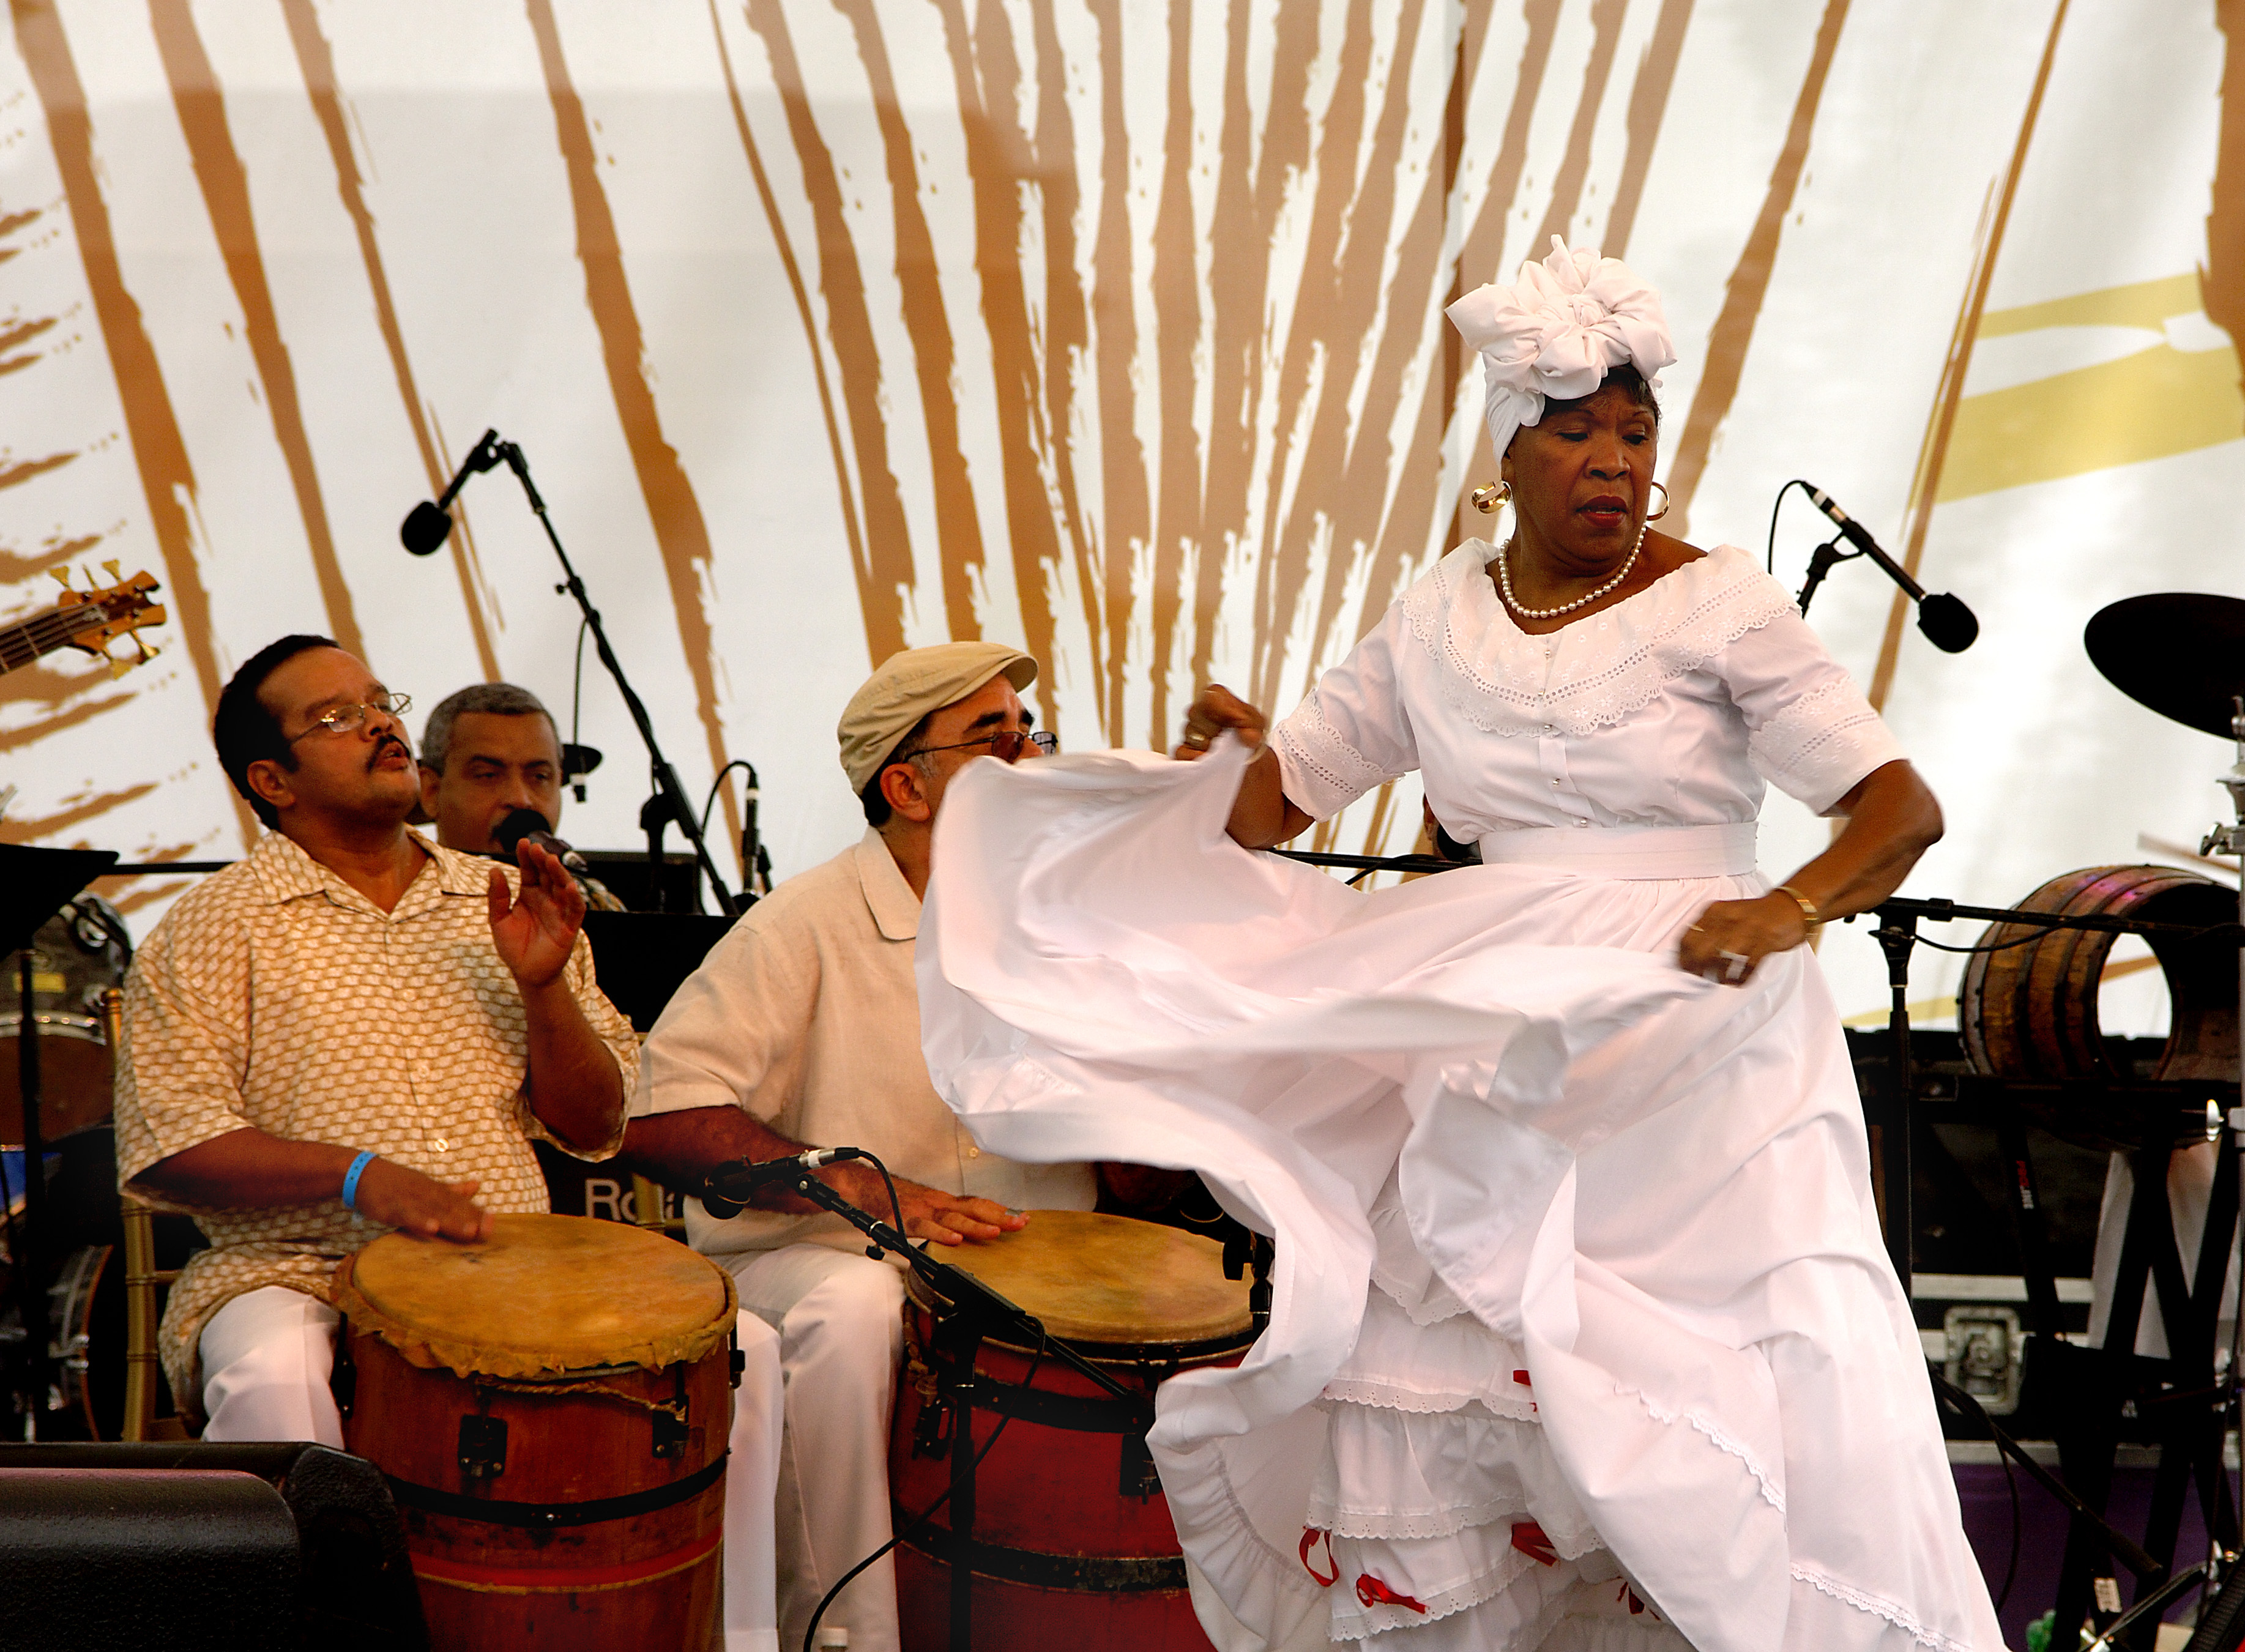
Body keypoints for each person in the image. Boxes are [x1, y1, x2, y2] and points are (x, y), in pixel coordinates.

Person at [912, 240, 2003, 1650]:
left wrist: (1783, 906)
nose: (1614, 457)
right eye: (1575, 431)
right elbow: (1277, 795)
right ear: (1505, 455)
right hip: (1495, 1009)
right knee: (1459, 1363)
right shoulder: (1433, 615)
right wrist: (1197, 772)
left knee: (1733, 1381)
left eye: (1636, 427)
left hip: (1696, 1034)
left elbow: (1898, 807)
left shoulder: (1723, 599)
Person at [113, 634, 785, 1652]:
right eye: (336, 715)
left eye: (380, 699)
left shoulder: (499, 897)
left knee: (747, 1348)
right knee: (270, 1368)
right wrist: (361, 1178)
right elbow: (174, 1142)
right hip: (296, 1269)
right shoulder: (211, 925)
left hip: (509, 1267)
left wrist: (542, 986)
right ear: (271, 779)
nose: (380, 720)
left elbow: (597, 1123)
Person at [625, 641, 1188, 1652]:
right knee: (854, 1308)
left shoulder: (1068, 924)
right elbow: (661, 1119)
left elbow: (1130, 1156)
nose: (1028, 755)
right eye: (994, 736)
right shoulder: (802, 923)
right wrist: (859, 1189)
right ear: (905, 786)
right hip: (816, 1259)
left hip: (1024, 1264)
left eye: (1031, 731)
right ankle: (841, 1634)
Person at [417, 680, 624, 909]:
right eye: (488, 775)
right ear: (431, 792)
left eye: (539, 777)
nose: (520, 799)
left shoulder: (591, 901)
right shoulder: (402, 902)